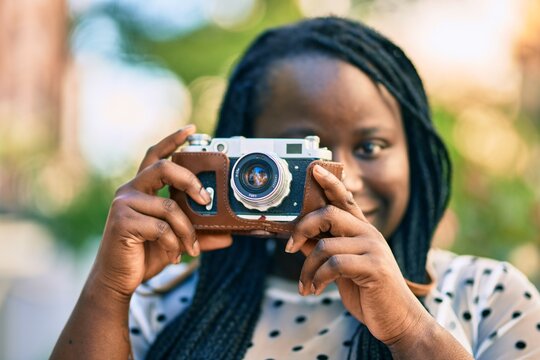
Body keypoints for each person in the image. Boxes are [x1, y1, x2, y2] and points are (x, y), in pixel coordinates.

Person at [51, 17, 540, 359]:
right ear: (228, 160)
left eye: (370, 146)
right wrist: (110, 289)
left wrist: (408, 328)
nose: (339, 175)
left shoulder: (487, 295)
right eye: (302, 155)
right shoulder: (161, 303)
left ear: (415, 155)